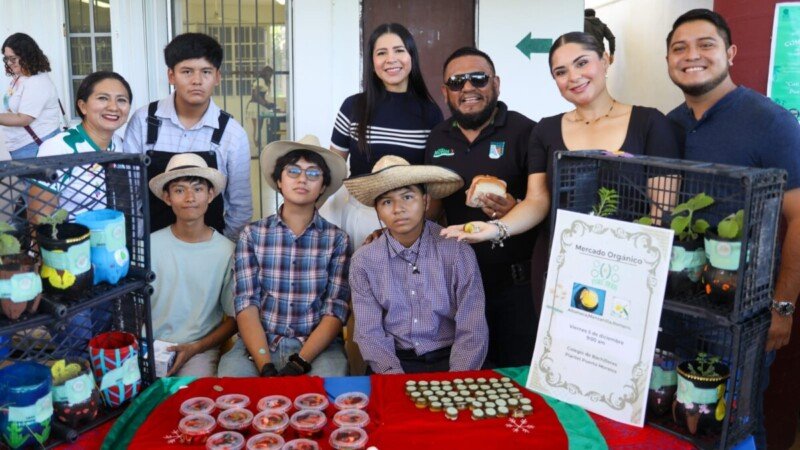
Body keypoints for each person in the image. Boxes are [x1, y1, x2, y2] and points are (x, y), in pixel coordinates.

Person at [665, 9, 800, 449]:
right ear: (668, 60)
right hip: (676, 306)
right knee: (681, 418)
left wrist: (783, 307)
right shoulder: (668, 124)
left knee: (737, 421)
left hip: (743, 316)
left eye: (706, 44)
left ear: (731, 53)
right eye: (680, 48)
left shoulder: (771, 121)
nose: (692, 56)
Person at [427, 47, 549, 368]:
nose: (468, 88)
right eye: (457, 82)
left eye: (478, 79)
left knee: (517, 377)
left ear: (496, 84)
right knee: (465, 377)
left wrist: (514, 207)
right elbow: (433, 209)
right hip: (456, 287)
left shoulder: (527, 131)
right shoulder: (437, 137)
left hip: (517, 288)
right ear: (445, 92)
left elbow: (544, 205)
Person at [218, 135, 351, 377]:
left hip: (317, 349)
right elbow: (246, 304)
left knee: (329, 389)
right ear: (279, 181)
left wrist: (300, 362)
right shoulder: (253, 234)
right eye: (293, 171)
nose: (302, 179)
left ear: (323, 186)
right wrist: (265, 364)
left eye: (313, 173)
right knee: (233, 383)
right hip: (259, 345)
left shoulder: (337, 239)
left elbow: (335, 309)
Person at [344, 155, 488, 374]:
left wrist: (458, 378)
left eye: (408, 197)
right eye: (386, 202)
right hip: (393, 360)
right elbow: (369, 333)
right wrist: (394, 377)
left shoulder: (457, 250)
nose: (398, 209)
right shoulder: (364, 261)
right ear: (377, 210)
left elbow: (472, 326)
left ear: (426, 201)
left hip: (451, 358)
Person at [26, 71, 132, 355]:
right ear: (83, 105)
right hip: (68, 268)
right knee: (78, 344)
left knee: (103, 338)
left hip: (104, 264)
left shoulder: (120, 147)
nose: (113, 107)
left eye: (121, 100)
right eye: (103, 98)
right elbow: (39, 213)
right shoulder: (59, 146)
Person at [324, 23, 443, 250]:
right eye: (381, 53)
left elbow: (434, 181)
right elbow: (332, 168)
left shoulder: (430, 112)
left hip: (410, 223)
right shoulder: (353, 107)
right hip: (361, 218)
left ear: (411, 56)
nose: (391, 59)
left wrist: (422, 224)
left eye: (399, 50)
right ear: (372, 62)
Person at [123, 32, 252, 241]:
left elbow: (240, 206)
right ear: (171, 76)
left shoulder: (232, 133)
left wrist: (223, 248)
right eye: (187, 71)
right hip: (152, 246)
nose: (197, 81)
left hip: (211, 247)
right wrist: (143, 246)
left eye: (206, 72)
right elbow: (129, 196)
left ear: (217, 77)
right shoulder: (143, 121)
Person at [148, 153, 237, 376]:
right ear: (167, 197)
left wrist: (196, 348)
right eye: (179, 190)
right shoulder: (149, 245)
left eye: (198, 189)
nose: (190, 198)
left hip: (199, 351)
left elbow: (235, 319)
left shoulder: (227, 251)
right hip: (149, 346)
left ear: (210, 194)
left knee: (195, 395)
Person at [0, 33, 63, 160]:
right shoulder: (21, 76)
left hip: (34, 146)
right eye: (6, 59)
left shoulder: (37, 82)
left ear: (26, 56)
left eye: (13, 58)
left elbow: (23, 119)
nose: (9, 63)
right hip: (23, 145)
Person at [245, 65, 276, 147]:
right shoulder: (261, 80)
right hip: (255, 106)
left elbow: (261, 96)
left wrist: (267, 103)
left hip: (259, 105)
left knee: (260, 126)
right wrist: (265, 103)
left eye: (271, 74)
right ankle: (256, 145)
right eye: (269, 73)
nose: (270, 75)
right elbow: (256, 95)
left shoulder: (265, 81)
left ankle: (260, 145)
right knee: (256, 127)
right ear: (265, 73)